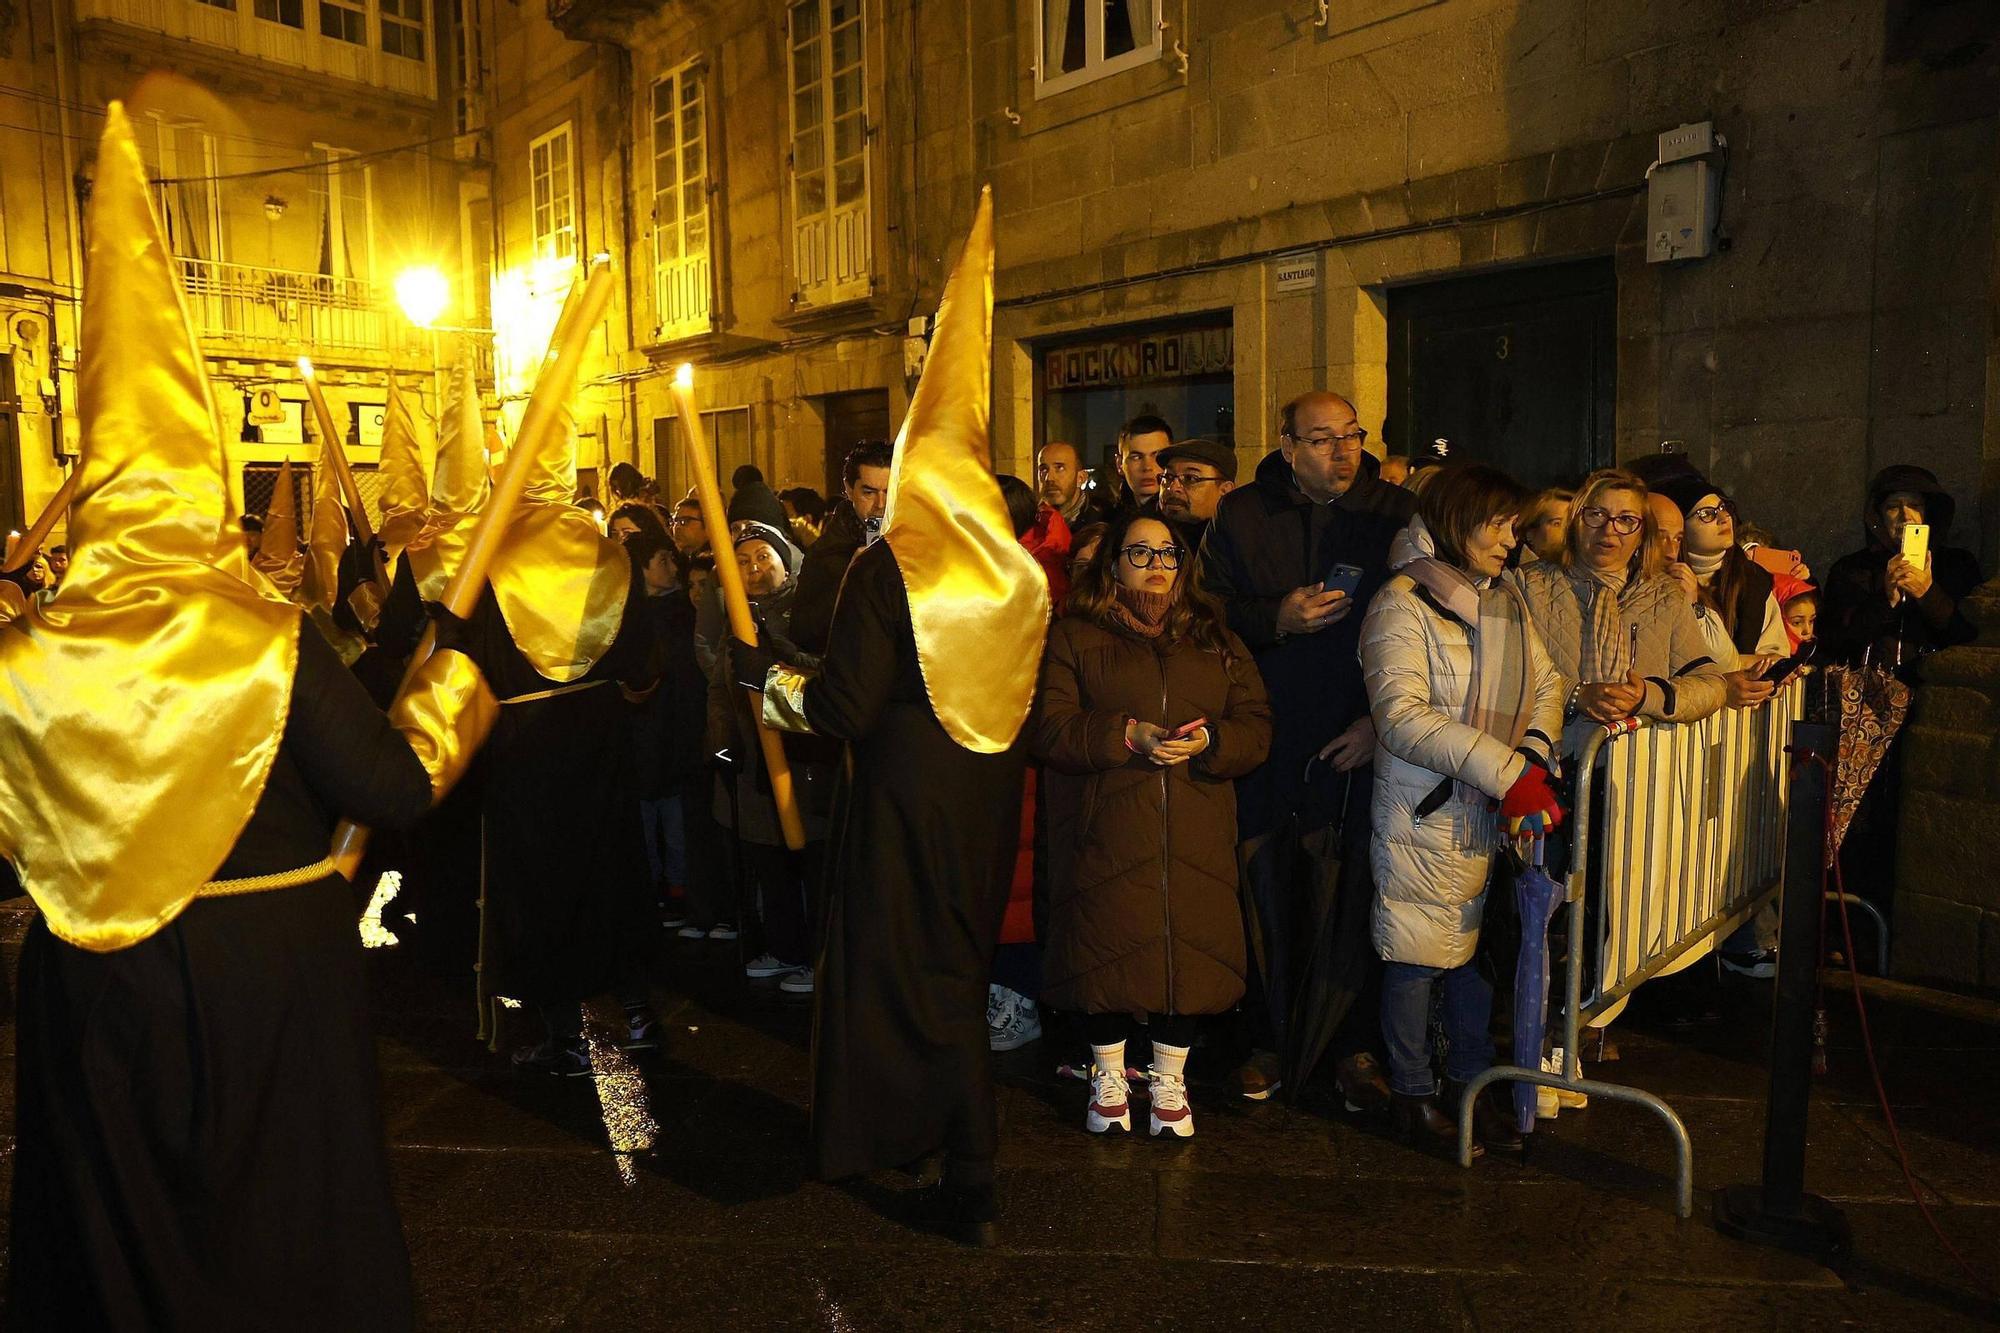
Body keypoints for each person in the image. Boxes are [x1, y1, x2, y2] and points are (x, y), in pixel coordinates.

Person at [2, 105, 497, 1329]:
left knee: (121, 1231)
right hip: (266, 977)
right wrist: (448, 689)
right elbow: (389, 787)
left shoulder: (17, 656)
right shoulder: (265, 630)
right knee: (285, 1220)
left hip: (91, 988)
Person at [730, 195, 1047, 1244]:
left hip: (901, 800)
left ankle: (934, 1156)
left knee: (890, 976)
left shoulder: (887, 569)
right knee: (956, 975)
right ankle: (967, 1156)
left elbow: (843, 703)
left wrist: (765, 682)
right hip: (982, 799)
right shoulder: (1016, 575)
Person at [1199, 389, 1414, 1107]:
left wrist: (1383, 725)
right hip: (1268, 732)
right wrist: (1277, 616)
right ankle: (1269, 1039)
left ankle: (1354, 1046)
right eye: (1322, 440)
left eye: (1351, 435)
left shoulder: (1392, 513)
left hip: (1359, 730)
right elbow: (1207, 609)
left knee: (1353, 891)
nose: (1343, 451)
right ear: (1287, 447)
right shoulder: (1242, 514)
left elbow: (1423, 621)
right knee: (1267, 890)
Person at [1034, 513, 1272, 1137]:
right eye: (1139, 552)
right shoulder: (1074, 635)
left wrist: (1213, 741)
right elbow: (1049, 726)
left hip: (1194, 824)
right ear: (1112, 563)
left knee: (1186, 950)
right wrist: (1124, 735)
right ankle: (1107, 1071)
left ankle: (1170, 1076)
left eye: (1168, 552)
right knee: (1106, 946)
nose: (1157, 564)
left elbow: (1256, 725)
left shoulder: (1215, 637)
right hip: (1107, 823)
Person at [1362, 464, 1563, 1154]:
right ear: (1455, 519)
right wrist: (1508, 773)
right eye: (1499, 523)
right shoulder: (1402, 601)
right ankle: (1412, 1093)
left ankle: (1470, 1083)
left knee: (1471, 954)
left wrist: (1530, 758)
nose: (1512, 539)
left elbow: (1548, 681)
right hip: (1425, 806)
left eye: (1516, 525)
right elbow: (1401, 717)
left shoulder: (1502, 600)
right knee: (1417, 953)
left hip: (1485, 806)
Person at [1508, 469, 1729, 741]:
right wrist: (1576, 694)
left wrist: (1647, 696)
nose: (1609, 529)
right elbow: (1507, 675)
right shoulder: (1529, 585)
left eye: (1626, 520)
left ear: (1641, 534)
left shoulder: (1664, 595)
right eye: (1597, 515)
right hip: (1551, 757)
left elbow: (1711, 685)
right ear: (1576, 521)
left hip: (1633, 765)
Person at [711, 520, 829, 992]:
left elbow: (824, 674)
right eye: (743, 560)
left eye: (764, 557)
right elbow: (719, 690)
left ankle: (819, 957)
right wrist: (721, 741)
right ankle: (786, 949)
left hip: (806, 761)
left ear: (785, 561)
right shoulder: (732, 620)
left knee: (814, 866)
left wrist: (773, 652)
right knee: (770, 864)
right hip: (754, 763)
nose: (755, 568)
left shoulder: (810, 610)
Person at [1820, 464, 1983, 677]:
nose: (1906, 516)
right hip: (1868, 698)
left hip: (1934, 694)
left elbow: (1971, 637)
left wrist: (1929, 594)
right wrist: (1886, 600)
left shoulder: (1958, 564)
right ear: (1879, 516)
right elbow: (1833, 642)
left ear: (1927, 513)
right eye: (1893, 506)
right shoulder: (1851, 570)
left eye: (1914, 505)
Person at [793, 440, 893, 654]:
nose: (881, 504)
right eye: (869, 492)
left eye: (889, 492)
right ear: (849, 490)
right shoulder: (825, 553)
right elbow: (803, 632)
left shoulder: (916, 544)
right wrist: (849, 580)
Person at [1155, 435, 1237, 547]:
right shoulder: (1141, 535)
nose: (1173, 488)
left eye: (1190, 478)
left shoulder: (1238, 545)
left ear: (1225, 490)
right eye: (1168, 476)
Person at [1037, 440, 1105, 529]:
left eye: (1059, 468)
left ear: (1080, 478)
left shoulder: (1099, 525)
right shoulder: (1027, 522)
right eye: (1043, 469)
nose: (1049, 478)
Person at [1113, 413, 1174, 513]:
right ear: (1120, 464)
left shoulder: (1186, 520)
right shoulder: (1109, 521)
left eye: (1157, 456)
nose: (1147, 467)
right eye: (1136, 457)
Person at [1514, 487, 1573, 566]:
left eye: (1572, 523)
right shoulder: (1513, 575)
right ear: (1530, 534)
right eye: (1557, 523)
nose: (1568, 529)